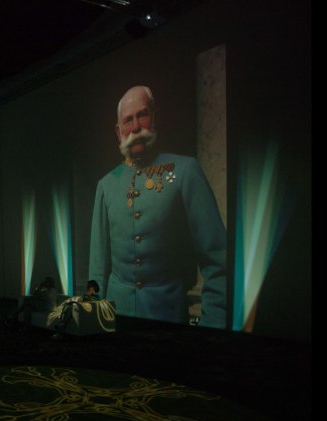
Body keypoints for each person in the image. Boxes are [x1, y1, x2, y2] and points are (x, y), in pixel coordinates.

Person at [89, 86, 226, 328]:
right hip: (115, 320)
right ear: (119, 132)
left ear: (155, 118)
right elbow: (97, 269)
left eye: (142, 115)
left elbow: (218, 262)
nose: (135, 127)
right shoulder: (106, 185)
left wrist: (212, 327)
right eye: (127, 120)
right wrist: (93, 322)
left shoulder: (185, 171)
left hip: (168, 319)